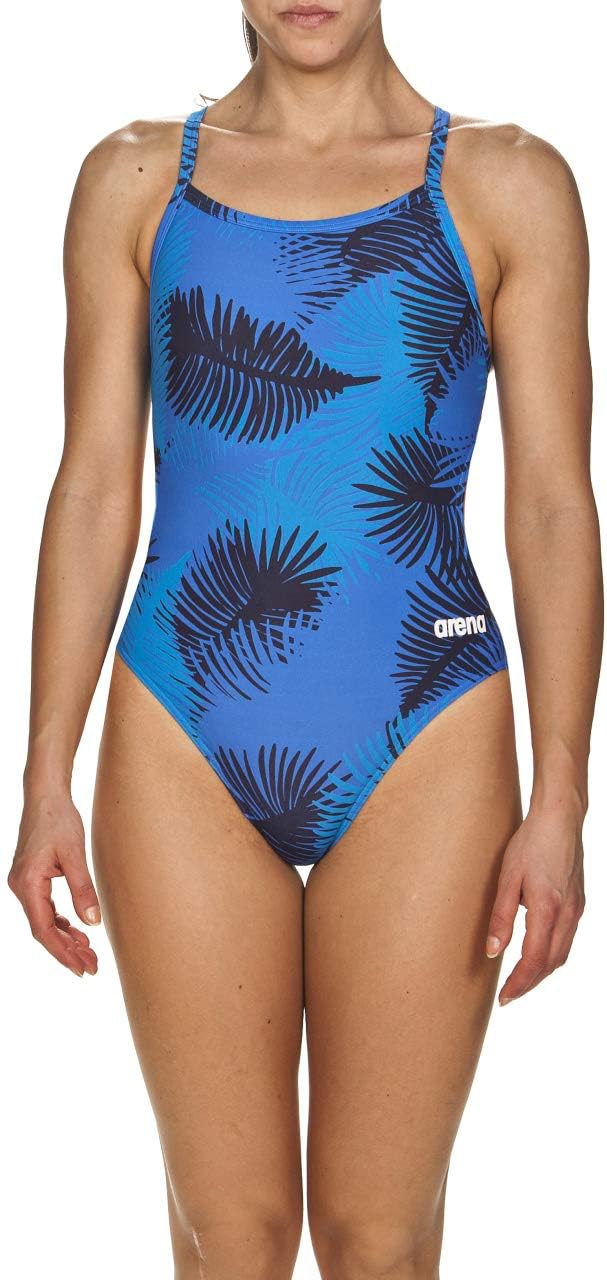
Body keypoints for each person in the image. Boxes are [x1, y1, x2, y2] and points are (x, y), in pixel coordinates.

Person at [8, 2, 602, 1277]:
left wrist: (562, 795)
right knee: (235, 1239)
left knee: (376, 1240)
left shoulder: (508, 184)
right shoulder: (134, 181)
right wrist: (43, 771)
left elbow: (554, 506)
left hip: (426, 726)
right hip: (180, 723)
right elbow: (95, 484)